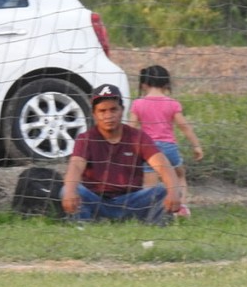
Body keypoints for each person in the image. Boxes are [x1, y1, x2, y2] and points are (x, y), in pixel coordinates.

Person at [62, 84, 181, 224]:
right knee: (68, 190)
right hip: (97, 200)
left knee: (164, 191)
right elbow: (75, 166)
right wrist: (70, 192)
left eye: (113, 109)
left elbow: (163, 166)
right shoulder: (85, 139)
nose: (108, 116)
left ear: (122, 110)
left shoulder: (137, 137)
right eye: (102, 111)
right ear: (94, 114)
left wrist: (173, 191)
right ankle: (84, 225)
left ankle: (154, 226)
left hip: (131, 201)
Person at [128, 64, 204, 217]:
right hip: (169, 148)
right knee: (179, 176)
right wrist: (196, 146)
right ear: (166, 84)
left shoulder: (138, 104)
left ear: (144, 84)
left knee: (149, 185)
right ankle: (180, 207)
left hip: (148, 150)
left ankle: (150, 212)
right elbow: (184, 127)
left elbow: (131, 129)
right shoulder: (172, 104)